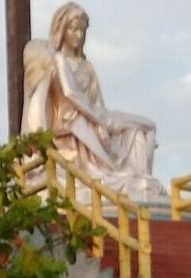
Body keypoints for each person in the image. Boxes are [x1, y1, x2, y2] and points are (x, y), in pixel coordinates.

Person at [20, 2, 164, 202]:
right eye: (73, 30)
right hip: (71, 122)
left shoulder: (87, 67)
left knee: (145, 127)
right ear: (62, 30)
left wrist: (103, 121)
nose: (78, 35)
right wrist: (97, 120)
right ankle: (120, 178)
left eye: (81, 30)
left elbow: (97, 102)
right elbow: (70, 94)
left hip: (95, 116)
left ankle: (140, 180)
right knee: (109, 129)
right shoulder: (59, 60)